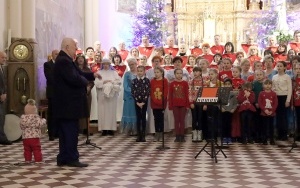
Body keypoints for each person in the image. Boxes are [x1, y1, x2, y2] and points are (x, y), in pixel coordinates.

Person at [53, 38, 100, 167]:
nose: (76, 50)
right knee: (70, 131)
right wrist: (86, 83)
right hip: (68, 104)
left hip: (66, 104)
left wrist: (92, 75)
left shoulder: (66, 60)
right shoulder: (63, 61)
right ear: (67, 47)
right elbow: (73, 78)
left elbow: (79, 72)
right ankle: (72, 158)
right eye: (74, 47)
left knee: (65, 132)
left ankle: (63, 157)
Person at [95, 59, 121, 136]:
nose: (106, 65)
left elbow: (118, 81)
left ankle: (111, 129)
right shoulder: (99, 73)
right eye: (104, 64)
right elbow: (96, 83)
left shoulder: (114, 73)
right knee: (102, 112)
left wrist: (112, 82)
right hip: (102, 96)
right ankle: (104, 129)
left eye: (107, 64)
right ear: (102, 65)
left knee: (111, 111)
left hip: (111, 97)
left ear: (110, 65)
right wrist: (104, 82)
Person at [20, 99, 46, 163]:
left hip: (25, 138)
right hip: (34, 137)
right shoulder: (35, 117)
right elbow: (39, 124)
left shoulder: (23, 118)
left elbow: (21, 126)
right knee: (36, 149)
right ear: (35, 110)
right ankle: (38, 160)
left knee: (27, 150)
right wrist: (44, 120)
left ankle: (27, 160)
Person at [272, 61, 292, 141]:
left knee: (283, 116)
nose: (279, 68)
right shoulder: (274, 77)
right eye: (278, 66)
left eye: (281, 66)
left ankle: (284, 134)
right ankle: (278, 133)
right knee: (278, 116)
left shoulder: (287, 77)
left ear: (284, 67)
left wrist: (288, 100)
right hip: (276, 97)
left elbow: (290, 89)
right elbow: (272, 87)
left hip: (284, 97)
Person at [74, 54, 94, 134]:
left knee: (87, 110)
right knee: (77, 110)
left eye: (82, 58)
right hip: (77, 93)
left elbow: (92, 81)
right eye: (79, 58)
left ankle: (86, 129)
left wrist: (89, 87)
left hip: (87, 93)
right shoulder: (74, 69)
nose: (80, 60)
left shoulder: (87, 69)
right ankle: (78, 128)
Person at [169, 69, 190, 142]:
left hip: (183, 104)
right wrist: (170, 105)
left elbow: (187, 94)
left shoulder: (185, 83)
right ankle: (177, 135)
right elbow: (170, 95)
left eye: (180, 73)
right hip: (175, 104)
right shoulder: (172, 84)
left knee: (182, 120)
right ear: (174, 74)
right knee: (176, 120)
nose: (179, 75)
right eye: (177, 73)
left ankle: (182, 135)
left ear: (182, 74)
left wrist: (188, 104)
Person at [131, 66, 150, 142]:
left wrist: (143, 102)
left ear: (144, 71)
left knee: (143, 118)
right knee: (138, 118)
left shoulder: (147, 80)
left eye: (141, 71)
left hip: (144, 102)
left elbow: (148, 91)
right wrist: (137, 102)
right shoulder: (134, 81)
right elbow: (133, 92)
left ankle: (143, 135)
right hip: (137, 102)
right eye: (138, 71)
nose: (139, 72)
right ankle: (139, 135)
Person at [44, 49, 59, 141]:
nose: (57, 56)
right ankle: (51, 133)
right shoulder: (47, 65)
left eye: (58, 54)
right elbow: (49, 77)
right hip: (52, 92)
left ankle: (58, 132)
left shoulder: (62, 65)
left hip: (61, 93)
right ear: (52, 55)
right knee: (52, 113)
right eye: (56, 54)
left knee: (59, 113)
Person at [120, 58, 138, 135]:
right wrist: (133, 92)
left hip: (138, 97)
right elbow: (125, 85)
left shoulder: (140, 72)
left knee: (136, 113)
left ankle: (136, 130)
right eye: (130, 64)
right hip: (129, 96)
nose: (131, 66)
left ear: (136, 64)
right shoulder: (127, 74)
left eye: (133, 64)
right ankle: (128, 129)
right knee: (128, 112)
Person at [150, 67, 168, 142]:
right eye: (155, 72)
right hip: (154, 103)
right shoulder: (152, 81)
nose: (156, 74)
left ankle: (161, 133)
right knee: (156, 119)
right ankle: (157, 132)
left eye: (158, 72)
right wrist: (155, 101)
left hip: (162, 103)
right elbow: (151, 92)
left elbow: (165, 92)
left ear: (162, 73)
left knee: (161, 119)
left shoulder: (165, 80)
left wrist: (160, 101)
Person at [258, 79, 278, 145]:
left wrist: (272, 111)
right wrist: (265, 110)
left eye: (269, 84)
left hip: (272, 113)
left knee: (271, 127)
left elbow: (275, 103)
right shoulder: (261, 93)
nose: (267, 86)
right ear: (263, 85)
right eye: (266, 84)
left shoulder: (274, 94)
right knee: (264, 126)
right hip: (264, 113)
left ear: (271, 85)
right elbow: (260, 103)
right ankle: (264, 139)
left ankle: (272, 139)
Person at [189, 67, 204, 142]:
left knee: (200, 118)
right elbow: (190, 93)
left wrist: (205, 104)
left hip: (201, 102)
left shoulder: (203, 81)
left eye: (197, 71)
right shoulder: (191, 81)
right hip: (194, 103)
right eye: (194, 72)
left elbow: (205, 93)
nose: (195, 73)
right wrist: (191, 102)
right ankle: (194, 133)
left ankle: (200, 134)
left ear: (200, 72)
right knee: (194, 118)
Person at [0, 51, 12, 145]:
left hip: (2, 96)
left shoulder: (2, 67)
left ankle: (2, 137)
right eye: (3, 57)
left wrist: (5, 93)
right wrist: (1, 93)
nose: (5, 59)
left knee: (1, 118)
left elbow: (3, 82)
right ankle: (2, 138)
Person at [221, 78, 238, 144]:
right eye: (226, 84)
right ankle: (224, 137)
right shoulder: (221, 93)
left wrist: (233, 109)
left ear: (231, 85)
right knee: (223, 124)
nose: (227, 86)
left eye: (229, 84)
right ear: (224, 85)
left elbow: (235, 103)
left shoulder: (233, 94)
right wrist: (221, 108)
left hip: (230, 111)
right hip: (223, 111)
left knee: (229, 125)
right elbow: (218, 102)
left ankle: (229, 137)